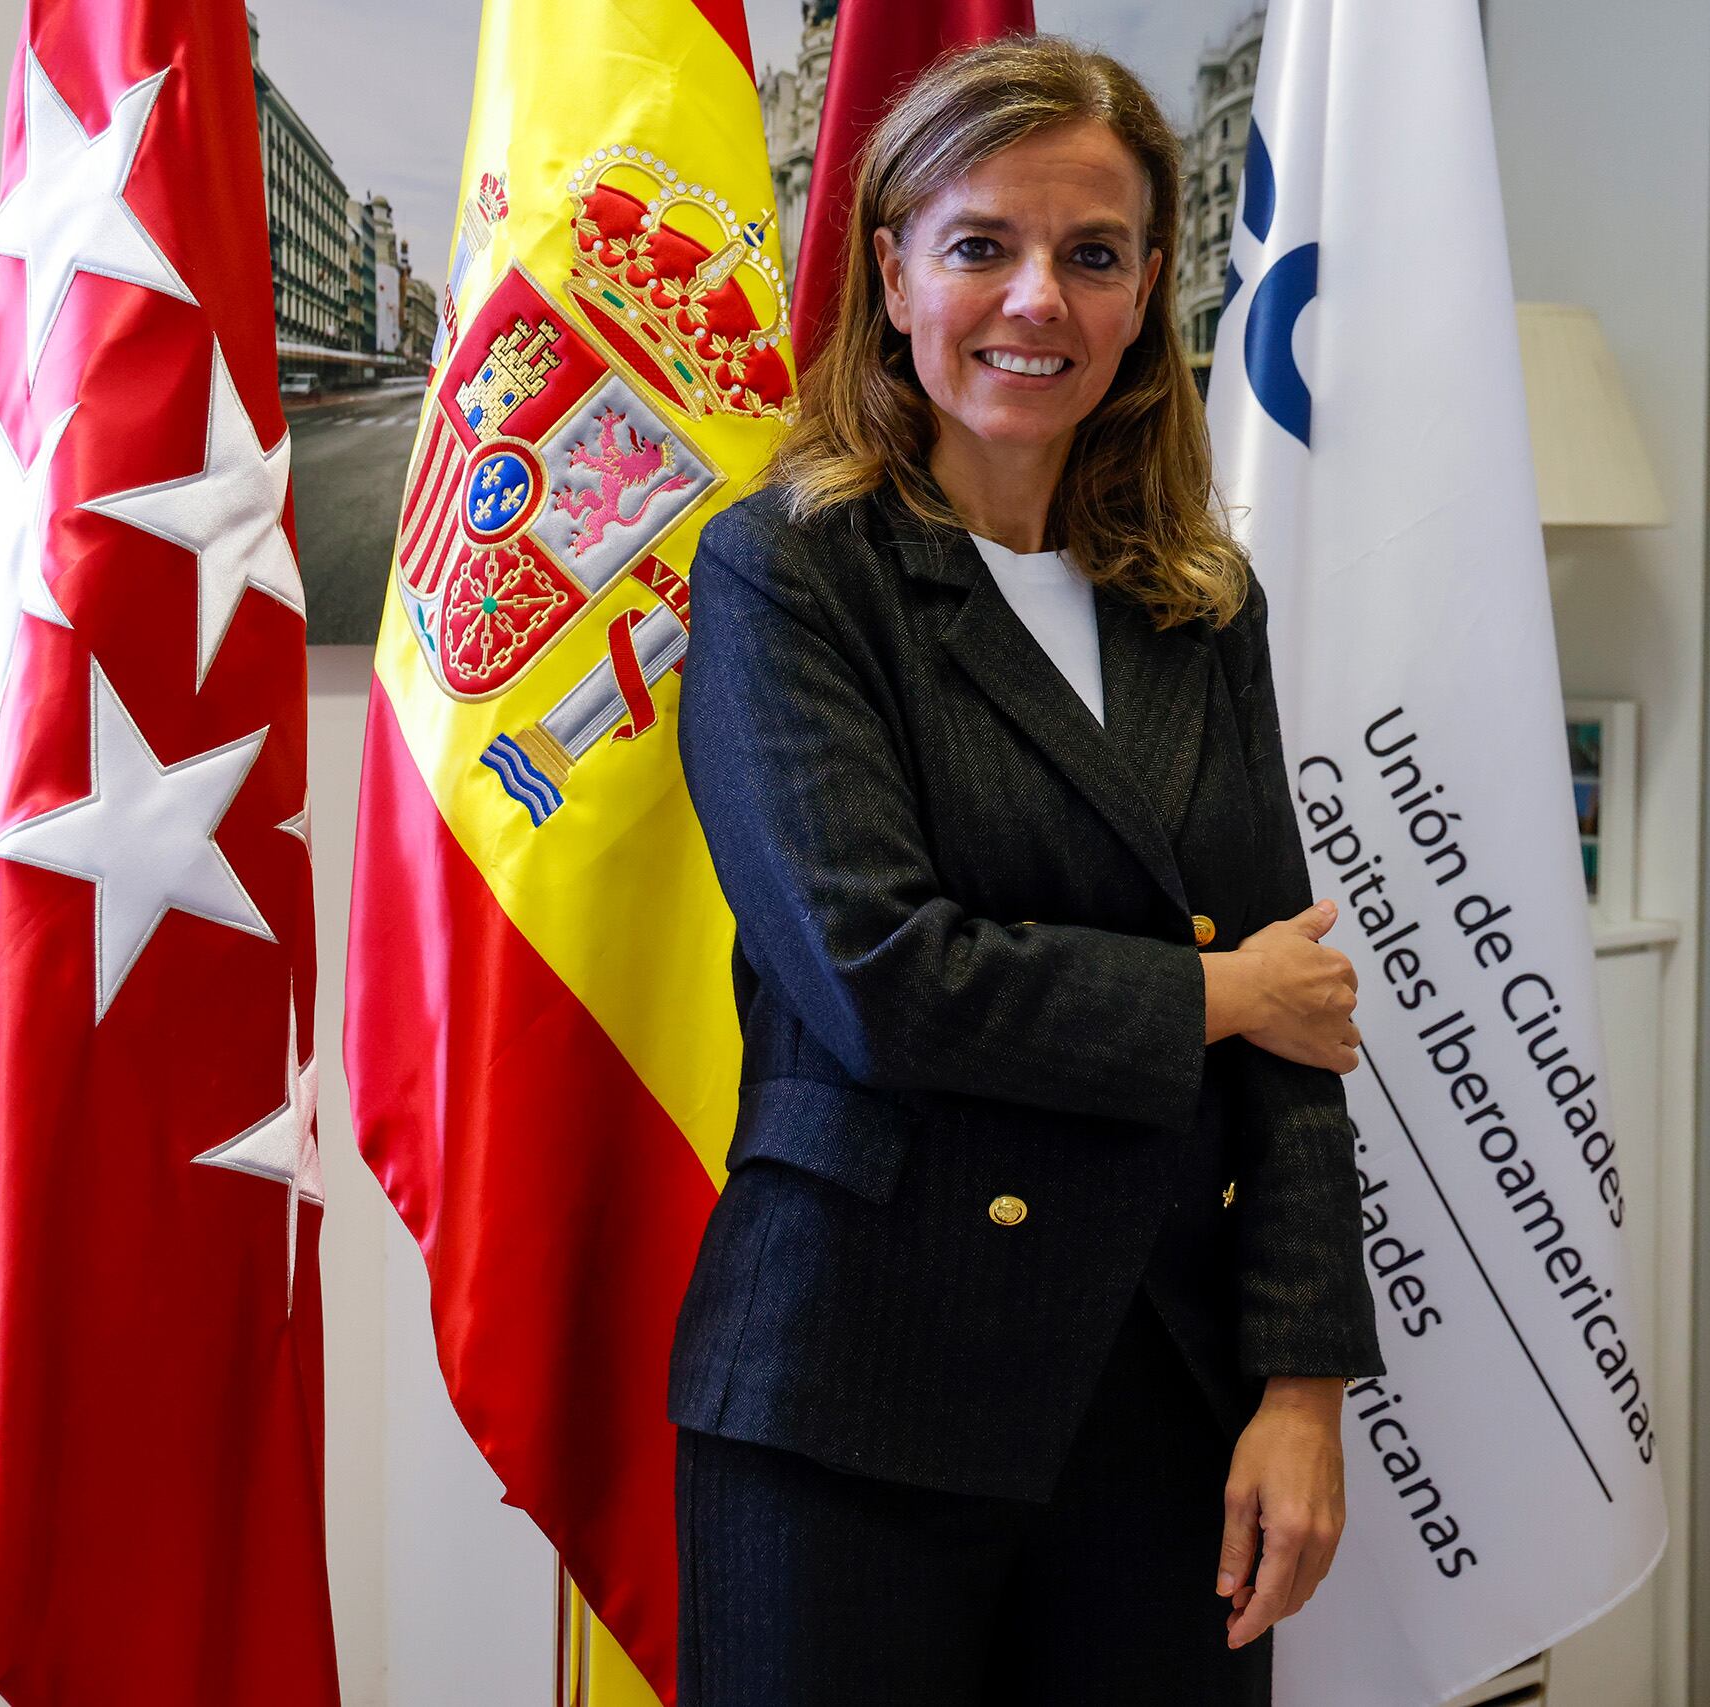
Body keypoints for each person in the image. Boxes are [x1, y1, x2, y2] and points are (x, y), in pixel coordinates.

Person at [667, 34, 1382, 1707]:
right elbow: (879, 977)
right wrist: (1217, 991)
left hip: (1162, 1396)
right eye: (982, 244)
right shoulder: (788, 570)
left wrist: (1301, 1384)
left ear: (1145, 298)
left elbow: (1305, 1036)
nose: (1036, 300)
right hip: (856, 1391)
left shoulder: (1199, 605)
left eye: (1094, 254)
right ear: (895, 273)